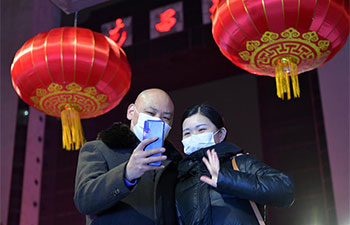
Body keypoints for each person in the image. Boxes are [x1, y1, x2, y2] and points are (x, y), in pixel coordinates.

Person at [74, 88, 181, 225]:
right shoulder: (99, 149)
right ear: (131, 112)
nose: (157, 120)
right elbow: (85, 201)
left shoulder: (174, 164)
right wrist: (126, 174)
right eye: (150, 113)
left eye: (165, 117)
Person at [175, 104, 294, 225]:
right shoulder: (182, 181)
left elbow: (285, 190)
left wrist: (224, 178)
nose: (194, 136)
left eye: (201, 130)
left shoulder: (240, 162)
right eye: (187, 133)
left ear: (221, 134)